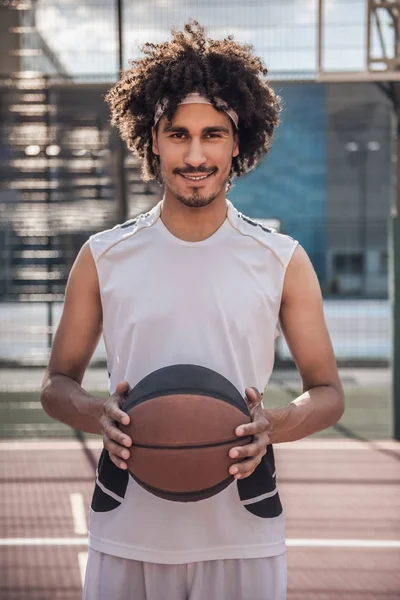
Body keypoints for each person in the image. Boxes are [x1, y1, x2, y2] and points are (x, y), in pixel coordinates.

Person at [41, 21, 344, 600]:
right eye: (178, 133)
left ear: (238, 142)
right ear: (151, 139)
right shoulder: (102, 256)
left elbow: (327, 391)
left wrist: (275, 424)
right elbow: (57, 384)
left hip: (243, 533)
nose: (196, 154)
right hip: (125, 529)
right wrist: (94, 411)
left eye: (213, 134)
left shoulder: (281, 259)